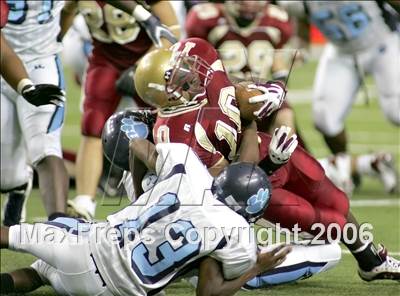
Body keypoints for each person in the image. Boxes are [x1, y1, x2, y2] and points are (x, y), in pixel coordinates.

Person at [133, 38, 400, 281]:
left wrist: (266, 90)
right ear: (169, 95)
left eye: (184, 65)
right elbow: (237, 183)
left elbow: (228, 82)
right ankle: (221, 261)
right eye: (179, 74)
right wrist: (268, 157)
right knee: (332, 225)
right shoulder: (180, 136)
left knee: (336, 199)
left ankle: (371, 264)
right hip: (253, 185)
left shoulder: (197, 54)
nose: (191, 71)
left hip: (265, 146)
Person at [0, 140, 292, 295]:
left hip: (89, 248)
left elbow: (137, 145)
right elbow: (209, 294)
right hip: (119, 292)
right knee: (44, 272)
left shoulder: (188, 171)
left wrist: (141, 195)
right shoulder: (235, 233)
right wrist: (255, 268)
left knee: (19, 242)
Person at [187, 0, 398, 195]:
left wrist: (277, 87)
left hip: (381, 44)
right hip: (223, 100)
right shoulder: (207, 18)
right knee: (324, 119)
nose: (249, 3)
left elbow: (279, 62)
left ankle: (350, 167)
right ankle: (357, 165)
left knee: (287, 147)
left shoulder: (275, 18)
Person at [61, 0, 180, 220]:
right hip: (104, 58)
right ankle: (84, 202)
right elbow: (61, 24)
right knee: (92, 125)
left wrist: (140, 67)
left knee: (163, 127)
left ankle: (171, 194)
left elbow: (172, 31)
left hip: (148, 60)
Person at [279, 1, 399, 192]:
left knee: (397, 112)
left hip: (383, 44)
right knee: (325, 119)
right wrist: (301, 46)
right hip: (341, 52)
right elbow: (301, 17)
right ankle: (347, 167)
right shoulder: (296, 3)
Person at [1, 0, 71, 224]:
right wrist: (25, 87)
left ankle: (60, 227)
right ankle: (19, 185)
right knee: (5, 176)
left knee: (45, 145)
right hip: (3, 62)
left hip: (43, 63)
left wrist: (143, 15)